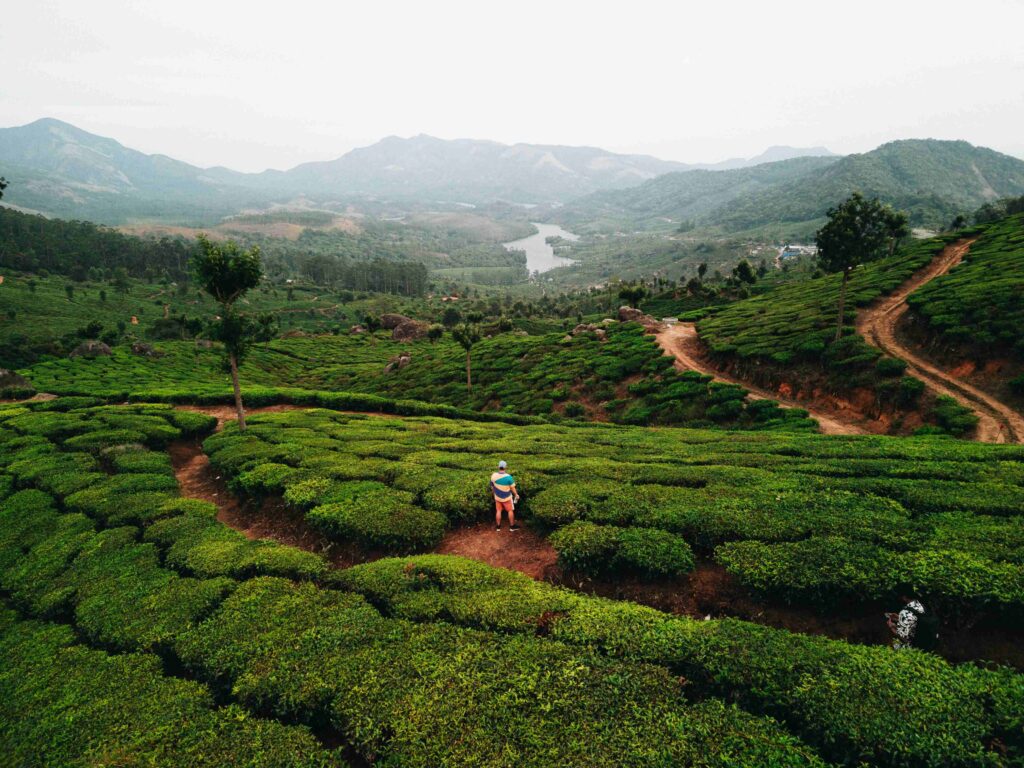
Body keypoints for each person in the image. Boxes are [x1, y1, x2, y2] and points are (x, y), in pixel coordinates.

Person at [490, 460, 520, 531]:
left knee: (498, 511)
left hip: (497, 497)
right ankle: (512, 527)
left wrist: (494, 494)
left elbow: (492, 487)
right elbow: (512, 488)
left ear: (498, 467)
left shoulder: (493, 475)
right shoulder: (509, 477)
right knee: (510, 511)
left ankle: (498, 527)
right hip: (507, 498)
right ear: (505, 467)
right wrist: (516, 495)